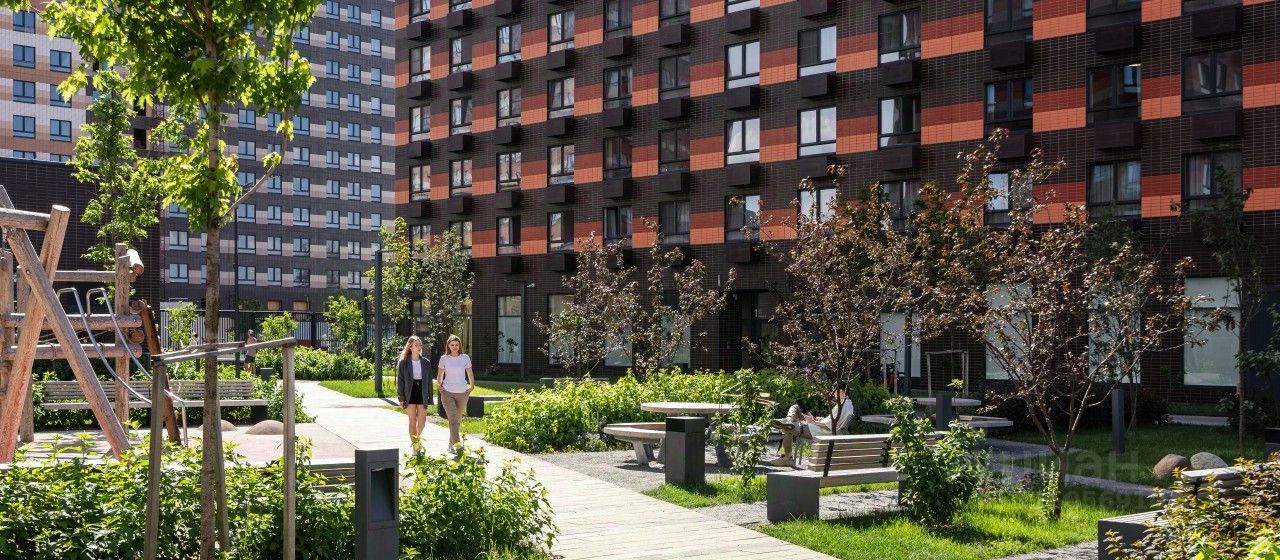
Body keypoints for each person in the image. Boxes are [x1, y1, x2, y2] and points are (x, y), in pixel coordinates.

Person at [770, 381, 856, 467]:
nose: (833, 395)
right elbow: (833, 422)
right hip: (818, 426)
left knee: (787, 428)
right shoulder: (848, 404)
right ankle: (787, 421)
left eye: (834, 392)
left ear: (840, 392)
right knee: (796, 407)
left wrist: (813, 421)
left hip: (817, 431)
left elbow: (831, 426)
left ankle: (787, 457)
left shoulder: (842, 406)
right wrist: (820, 419)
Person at [435, 334, 474, 448]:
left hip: (462, 393)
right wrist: (439, 385)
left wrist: (472, 386)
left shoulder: (465, 358)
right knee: (452, 419)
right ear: (448, 346)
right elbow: (440, 375)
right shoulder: (444, 359)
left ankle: (450, 444)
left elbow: (470, 373)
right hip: (447, 392)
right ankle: (457, 446)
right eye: (452, 345)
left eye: (457, 345)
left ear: (459, 345)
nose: (455, 347)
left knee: (457, 420)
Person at [396, 336, 433, 450]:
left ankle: (416, 440)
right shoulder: (403, 363)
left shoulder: (426, 362)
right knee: (412, 420)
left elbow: (429, 381)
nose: (419, 347)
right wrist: (401, 398)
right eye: (416, 345)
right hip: (410, 391)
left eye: (420, 345)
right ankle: (415, 446)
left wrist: (430, 397)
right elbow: (400, 381)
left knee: (422, 421)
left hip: (422, 391)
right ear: (410, 347)